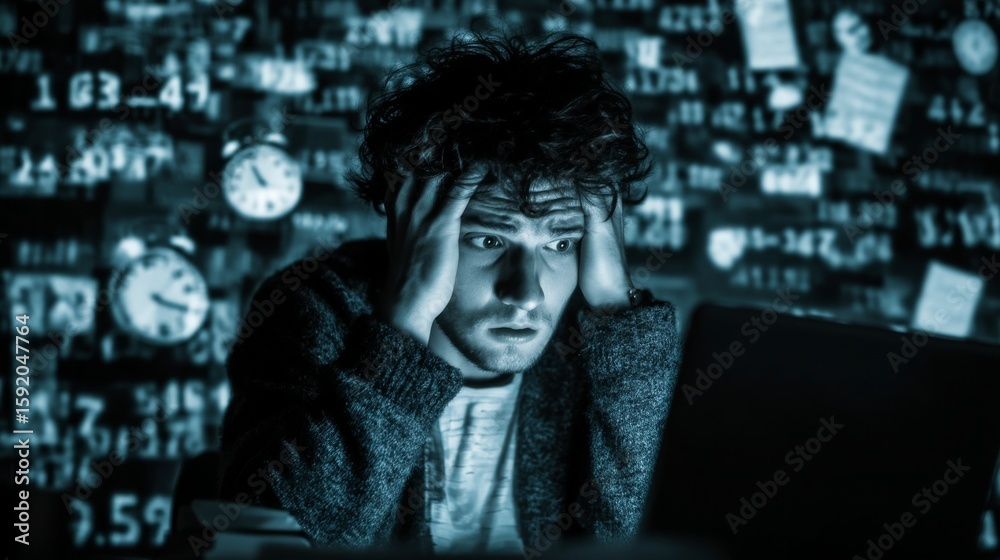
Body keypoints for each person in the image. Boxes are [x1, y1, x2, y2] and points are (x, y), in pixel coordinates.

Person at [218, 31, 681, 556]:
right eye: (489, 240)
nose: (526, 293)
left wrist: (618, 310)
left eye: (560, 243)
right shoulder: (315, 309)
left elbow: (656, 541)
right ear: (414, 229)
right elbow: (279, 541)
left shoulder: (602, 345)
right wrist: (404, 323)